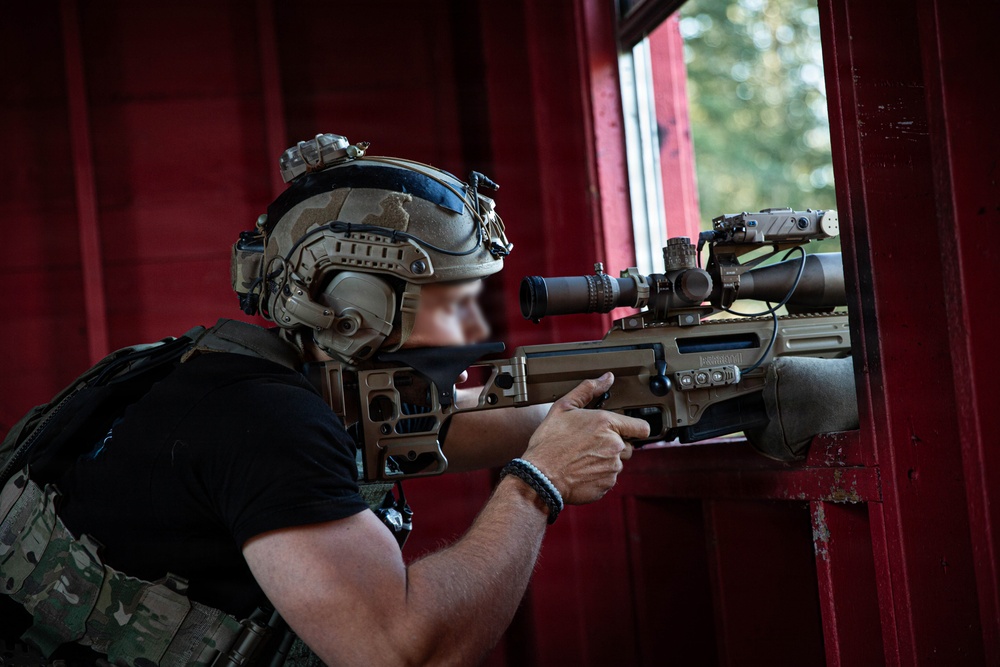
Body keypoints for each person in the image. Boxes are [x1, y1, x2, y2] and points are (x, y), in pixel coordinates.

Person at [0, 134, 648, 665]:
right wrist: (538, 484)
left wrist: (624, 399)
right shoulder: (269, 425)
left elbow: (439, 423)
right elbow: (404, 652)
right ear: (357, 308)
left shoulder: (211, 369)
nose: (474, 330)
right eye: (453, 305)